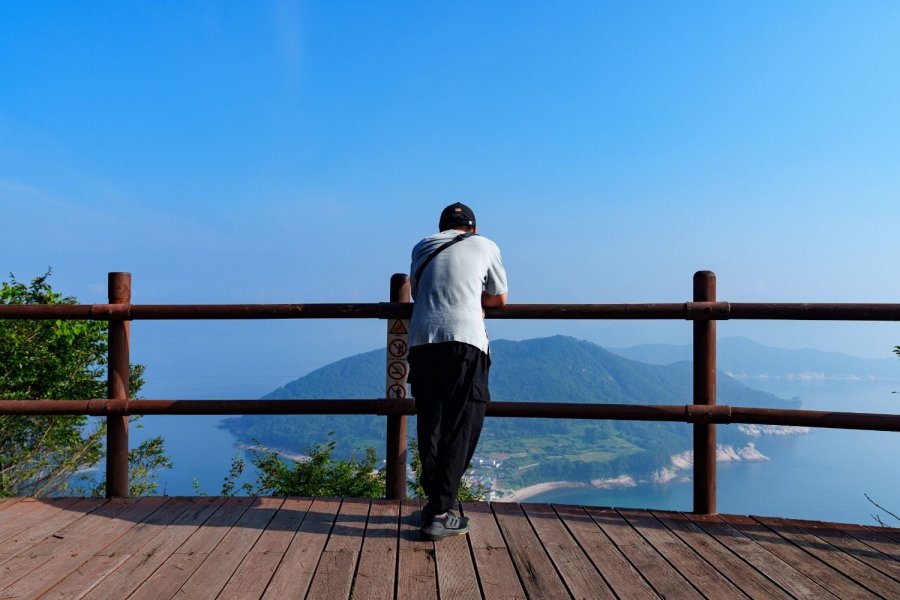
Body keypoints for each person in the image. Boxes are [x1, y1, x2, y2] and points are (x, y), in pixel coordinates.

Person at [407, 202, 508, 540]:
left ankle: (434, 503)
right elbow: (499, 298)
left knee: (431, 420)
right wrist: (472, 297)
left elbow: (419, 293)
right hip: (465, 340)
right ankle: (439, 512)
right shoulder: (486, 245)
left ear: (442, 228)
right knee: (464, 421)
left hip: (422, 340)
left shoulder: (422, 246)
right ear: (473, 229)